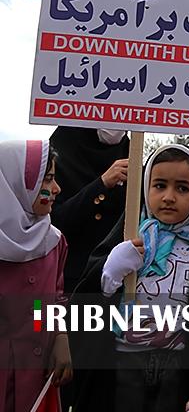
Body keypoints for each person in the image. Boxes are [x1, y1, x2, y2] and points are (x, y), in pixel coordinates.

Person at [66, 144, 189, 412]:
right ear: (145, 187)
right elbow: (83, 315)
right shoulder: (127, 244)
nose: (169, 197)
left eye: (182, 188)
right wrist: (107, 276)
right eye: (159, 185)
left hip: (177, 380)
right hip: (120, 377)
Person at [0, 140, 71, 412]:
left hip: (36, 376)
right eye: (48, 179)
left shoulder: (53, 242)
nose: (56, 189)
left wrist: (60, 337)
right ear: (17, 184)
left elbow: (49, 300)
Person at [48, 126, 130, 293]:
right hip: (65, 278)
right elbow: (54, 223)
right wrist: (102, 184)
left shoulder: (130, 152)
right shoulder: (62, 150)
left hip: (112, 280)